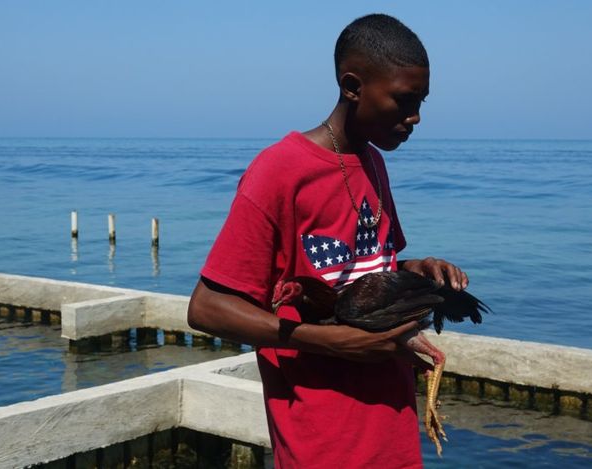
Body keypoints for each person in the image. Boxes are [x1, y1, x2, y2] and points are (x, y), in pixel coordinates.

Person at [188, 13, 469, 469]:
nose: (416, 117)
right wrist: (332, 342)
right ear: (353, 86)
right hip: (322, 442)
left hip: (392, 430)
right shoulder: (280, 172)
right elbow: (206, 308)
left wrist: (415, 270)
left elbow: (365, 272)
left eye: (421, 101)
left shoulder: (374, 163)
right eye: (404, 100)